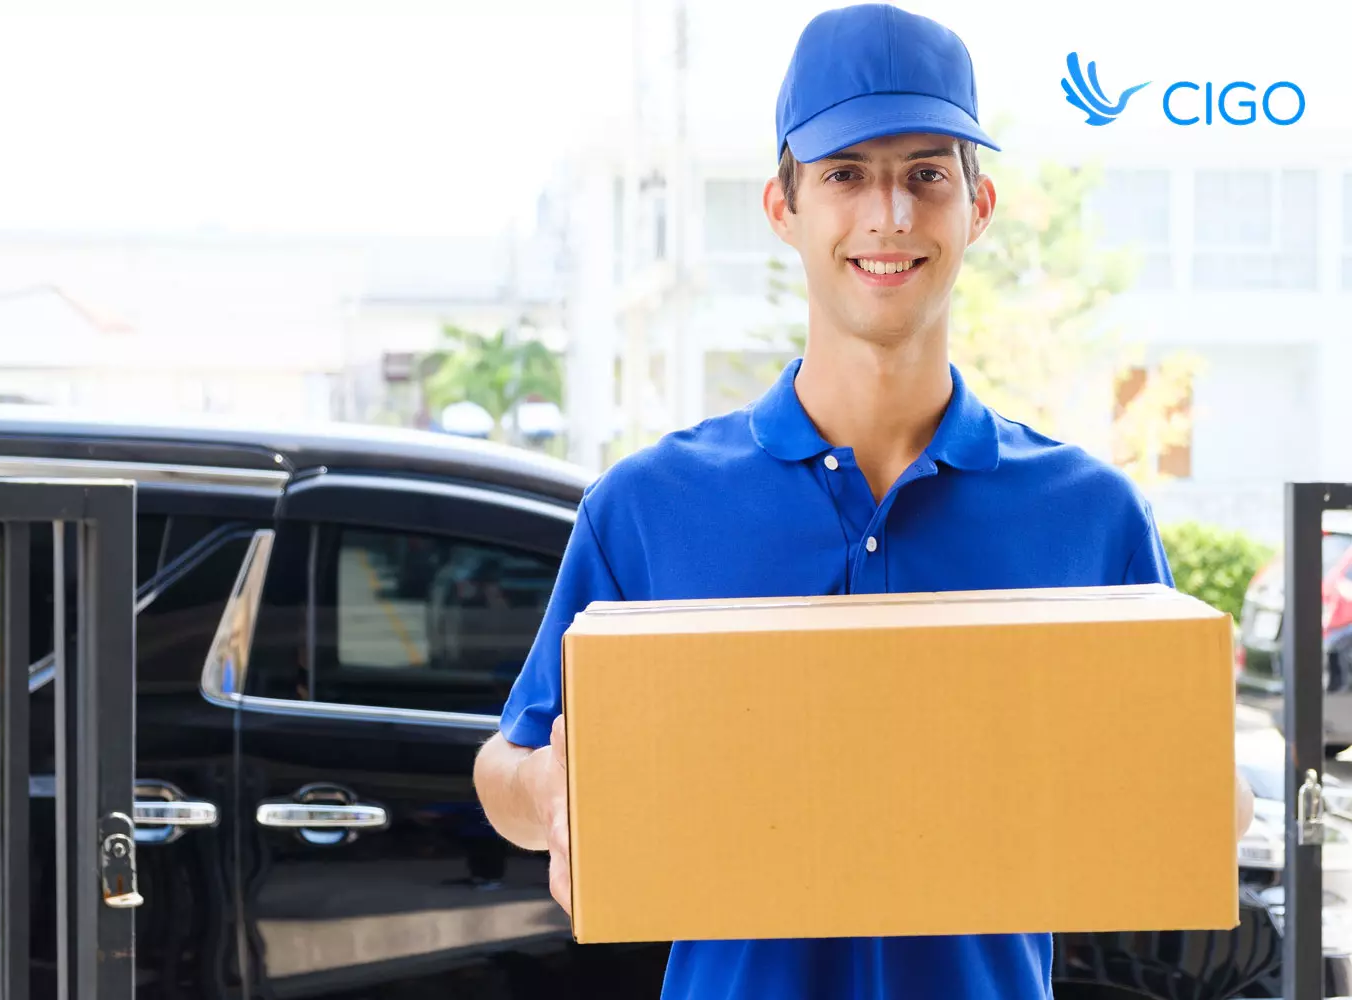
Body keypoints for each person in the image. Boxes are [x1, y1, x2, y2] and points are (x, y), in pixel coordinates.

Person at [473, 4, 1255, 998]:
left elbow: (1204, 805)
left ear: (979, 207)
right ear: (781, 206)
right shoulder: (647, 505)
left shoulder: (1090, 514)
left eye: (928, 173)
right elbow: (511, 762)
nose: (889, 214)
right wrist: (551, 795)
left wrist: (1193, 800)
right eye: (846, 173)